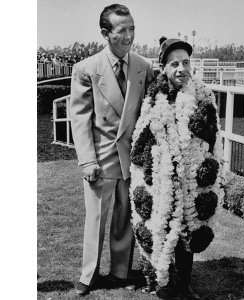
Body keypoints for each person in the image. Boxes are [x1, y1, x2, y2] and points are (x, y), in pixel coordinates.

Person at [130, 37, 224, 299]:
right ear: (164, 67)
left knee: (188, 229)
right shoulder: (153, 99)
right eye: (174, 64)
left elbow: (212, 138)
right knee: (158, 228)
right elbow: (142, 140)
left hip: (191, 179)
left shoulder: (204, 96)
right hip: (161, 180)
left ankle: (184, 283)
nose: (181, 68)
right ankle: (161, 280)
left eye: (185, 62)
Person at [70, 3, 153, 296]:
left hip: (131, 160)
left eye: (132, 29)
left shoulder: (144, 67)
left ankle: (120, 273)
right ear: (105, 33)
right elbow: (80, 119)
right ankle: (88, 275)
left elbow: (149, 113)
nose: (130, 36)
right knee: (95, 221)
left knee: (123, 220)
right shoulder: (86, 69)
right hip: (100, 160)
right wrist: (87, 161)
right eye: (122, 30)